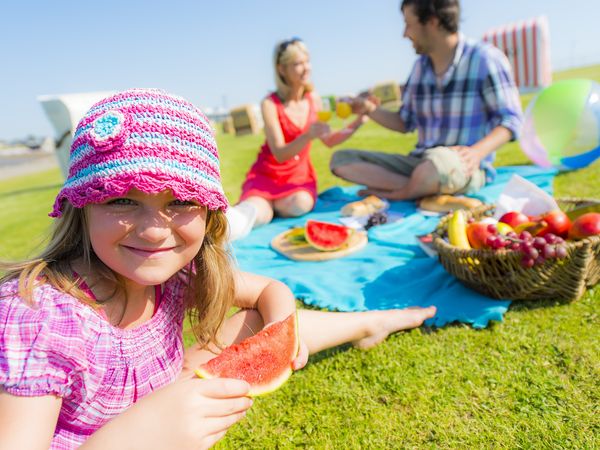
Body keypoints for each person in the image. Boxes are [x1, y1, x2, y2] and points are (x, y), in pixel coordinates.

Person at [0, 88, 436, 449]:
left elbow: (269, 291)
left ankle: (375, 321)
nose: (154, 231)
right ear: (83, 204)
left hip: (168, 394)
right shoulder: (40, 319)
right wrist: (134, 437)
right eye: (122, 199)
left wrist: (281, 333)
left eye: (180, 203)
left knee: (256, 320)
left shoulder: (172, 273)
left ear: (208, 214)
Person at [330, 0, 523, 201]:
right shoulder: (419, 68)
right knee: (341, 160)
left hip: (462, 165)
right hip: (421, 162)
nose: (405, 34)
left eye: (408, 24)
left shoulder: (485, 59)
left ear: (432, 22)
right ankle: (423, 187)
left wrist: (475, 153)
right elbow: (405, 122)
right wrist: (368, 109)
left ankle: (404, 193)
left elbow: (511, 120)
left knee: (438, 165)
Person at [226, 38, 369, 240]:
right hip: (266, 174)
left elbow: (329, 140)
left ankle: (270, 207)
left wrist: (359, 121)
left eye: (307, 61)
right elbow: (279, 153)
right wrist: (308, 135)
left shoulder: (313, 98)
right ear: (281, 69)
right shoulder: (270, 103)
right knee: (257, 214)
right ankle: (237, 219)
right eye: (298, 64)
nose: (306, 68)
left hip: (298, 178)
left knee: (300, 204)